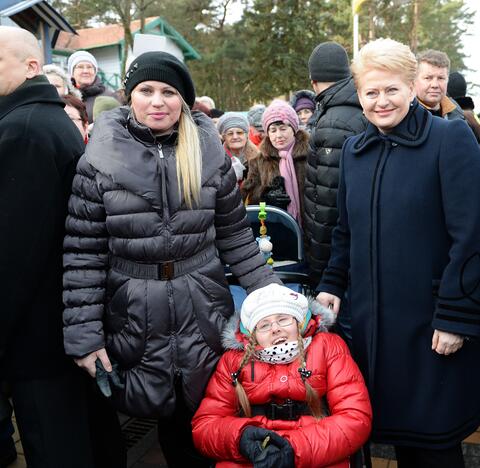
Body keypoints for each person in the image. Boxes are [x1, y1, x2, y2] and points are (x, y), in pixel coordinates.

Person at [62, 51, 279, 468]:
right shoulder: (98, 161)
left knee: (203, 415)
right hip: (132, 309)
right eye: (146, 90)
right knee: (149, 410)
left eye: (168, 92)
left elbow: (235, 236)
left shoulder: (209, 155)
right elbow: (83, 254)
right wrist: (85, 336)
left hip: (202, 303)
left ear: (183, 101)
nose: (157, 101)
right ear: (130, 97)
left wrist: (274, 301)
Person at [316, 38, 480, 468]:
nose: (381, 101)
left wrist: (456, 315)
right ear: (359, 94)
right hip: (374, 325)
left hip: (432, 326)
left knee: (435, 444)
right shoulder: (355, 150)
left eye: (391, 90)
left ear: (410, 86)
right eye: (371, 91)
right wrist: (332, 281)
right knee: (399, 438)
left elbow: (472, 236)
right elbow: (345, 229)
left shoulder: (449, 138)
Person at [0, 25, 100, 467]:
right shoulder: (42, 119)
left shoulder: (23, 129)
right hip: (59, 323)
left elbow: (15, 252)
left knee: (55, 447)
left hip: (36, 334)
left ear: (31, 66)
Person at [192, 283, 372, 467]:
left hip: (316, 447)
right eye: (264, 325)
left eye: (283, 319)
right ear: (251, 335)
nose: (275, 328)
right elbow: (205, 425)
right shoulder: (234, 361)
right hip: (254, 453)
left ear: (299, 322)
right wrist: (241, 439)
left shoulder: (328, 347)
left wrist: (295, 450)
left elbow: (355, 416)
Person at [303, 41, 367, 289]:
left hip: (337, 258)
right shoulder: (359, 107)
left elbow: (328, 203)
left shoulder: (332, 122)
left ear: (313, 82)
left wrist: (320, 270)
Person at [242, 100, 308, 224]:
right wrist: (266, 197)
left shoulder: (309, 156)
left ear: (294, 129)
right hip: (275, 228)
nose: (278, 135)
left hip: (311, 229)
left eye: (283, 129)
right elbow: (251, 200)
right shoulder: (258, 161)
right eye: (273, 130)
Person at [67, 50, 118, 123]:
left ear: (95, 72)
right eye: (80, 67)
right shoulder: (66, 97)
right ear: (72, 73)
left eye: (89, 67)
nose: (85, 71)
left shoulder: (110, 96)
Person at [414, 49, 464, 120]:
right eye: (428, 78)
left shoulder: (457, 116)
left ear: (447, 80)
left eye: (440, 78)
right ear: (414, 80)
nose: (435, 85)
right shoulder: (402, 116)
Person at [217, 112, 259, 182]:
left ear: (246, 135)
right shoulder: (217, 159)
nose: (235, 137)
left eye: (239, 132)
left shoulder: (259, 157)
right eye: (230, 133)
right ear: (224, 137)